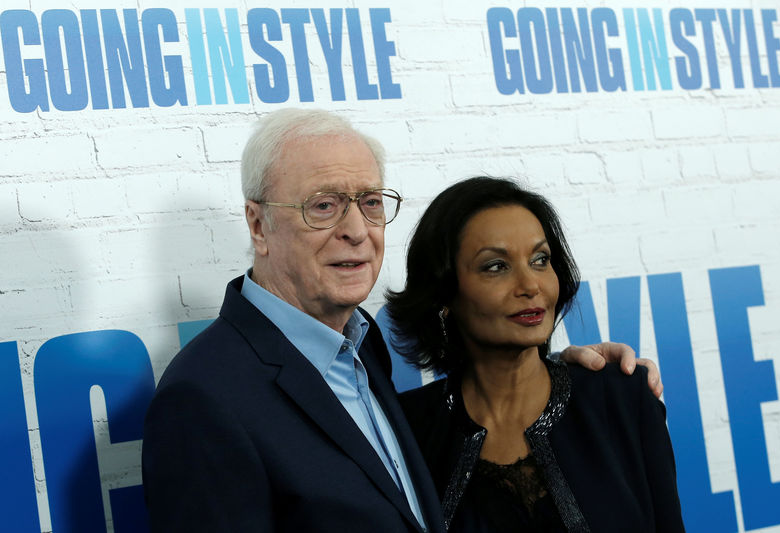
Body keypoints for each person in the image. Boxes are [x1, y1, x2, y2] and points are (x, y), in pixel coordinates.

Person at [142, 110, 660, 532]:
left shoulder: (363, 350)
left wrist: (560, 372)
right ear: (259, 224)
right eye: (323, 206)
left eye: (369, 203)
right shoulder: (204, 397)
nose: (356, 230)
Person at [389, 177, 685, 532]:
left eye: (541, 260)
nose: (531, 286)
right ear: (444, 295)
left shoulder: (621, 396)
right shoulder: (407, 429)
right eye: (496, 266)